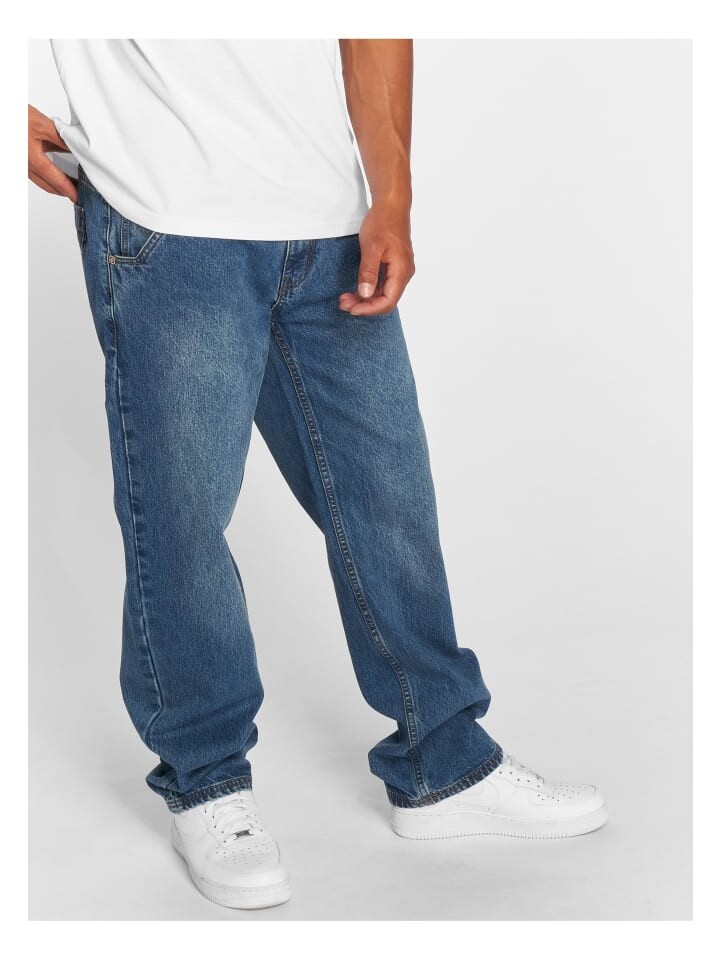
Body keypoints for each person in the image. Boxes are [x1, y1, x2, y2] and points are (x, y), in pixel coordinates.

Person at [29, 39, 608, 911]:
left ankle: (444, 763)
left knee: (390, 499)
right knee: (181, 519)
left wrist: (393, 195)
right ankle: (207, 782)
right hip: (166, 216)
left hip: (328, 220)